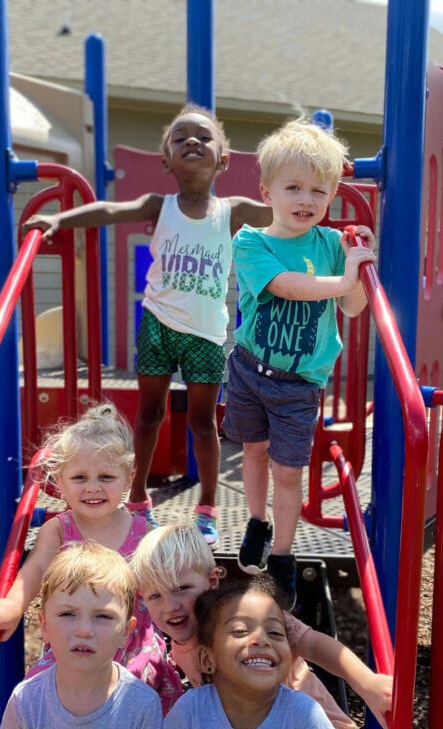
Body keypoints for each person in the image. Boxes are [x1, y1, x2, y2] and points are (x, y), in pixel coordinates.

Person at [22, 103, 272, 548]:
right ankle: (137, 499)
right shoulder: (160, 205)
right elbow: (108, 211)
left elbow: (288, 213)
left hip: (205, 333)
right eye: (180, 139)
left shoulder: (233, 211)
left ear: (224, 158)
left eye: (203, 136)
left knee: (202, 421)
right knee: (150, 414)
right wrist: (60, 219)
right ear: (166, 161)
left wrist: (327, 207)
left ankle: (207, 508)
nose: (191, 142)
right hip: (157, 323)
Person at [224, 116, 376, 607]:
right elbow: (287, 286)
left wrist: (359, 264)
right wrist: (343, 279)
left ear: (332, 195)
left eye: (318, 190)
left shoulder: (333, 246)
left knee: (288, 471)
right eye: (293, 187)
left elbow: (352, 307)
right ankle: (256, 520)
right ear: (268, 191)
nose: (306, 200)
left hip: (300, 384)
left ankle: (283, 555)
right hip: (249, 369)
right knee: (252, 452)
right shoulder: (251, 242)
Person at [130, 523, 391, 729]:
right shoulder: (179, 648)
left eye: (181, 589)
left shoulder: (252, 615)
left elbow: (312, 644)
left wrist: (367, 683)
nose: (170, 606)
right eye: (155, 596)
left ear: (211, 581)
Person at [0, 402, 184, 713]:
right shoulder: (59, 530)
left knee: (139, 710)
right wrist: (14, 604)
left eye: (106, 477)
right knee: (52, 702)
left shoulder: (144, 533)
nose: (93, 488)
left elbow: (169, 585)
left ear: (129, 478)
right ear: (59, 481)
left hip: (130, 646)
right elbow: (33, 571)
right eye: (80, 478)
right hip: (75, 644)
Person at [0, 542, 167, 729]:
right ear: (43, 625)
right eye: (67, 614)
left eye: (103, 616)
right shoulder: (26, 700)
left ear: (126, 631)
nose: (84, 630)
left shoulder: (142, 706)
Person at [162, 574, 346, 729]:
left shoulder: (304, 716)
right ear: (207, 659)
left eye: (275, 633)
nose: (261, 640)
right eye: (240, 631)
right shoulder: (189, 713)